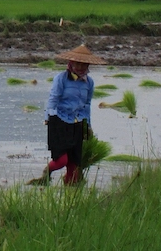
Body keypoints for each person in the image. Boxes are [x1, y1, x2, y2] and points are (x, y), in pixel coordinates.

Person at [28, 44, 105, 186]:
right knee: (61, 160)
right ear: (71, 63)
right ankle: (47, 172)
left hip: (77, 124)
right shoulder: (61, 79)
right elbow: (53, 99)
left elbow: (86, 105)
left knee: (74, 165)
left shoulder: (89, 83)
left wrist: (88, 125)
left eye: (84, 64)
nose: (81, 67)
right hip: (59, 121)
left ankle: (70, 196)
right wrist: (48, 118)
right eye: (78, 63)